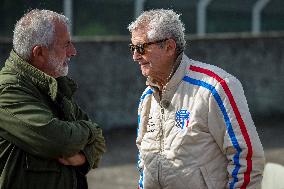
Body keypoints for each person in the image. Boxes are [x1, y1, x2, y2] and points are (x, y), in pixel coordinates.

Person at [128, 9, 265, 189]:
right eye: (133, 48)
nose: (135, 56)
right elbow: (143, 161)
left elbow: (247, 159)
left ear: (169, 47)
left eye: (141, 48)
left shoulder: (216, 87)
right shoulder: (147, 97)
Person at [0, 9, 106, 189]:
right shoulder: (8, 90)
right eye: (66, 45)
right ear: (39, 52)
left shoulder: (53, 85)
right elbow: (60, 141)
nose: (73, 52)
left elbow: (99, 143)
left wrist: (81, 158)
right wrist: (90, 131)